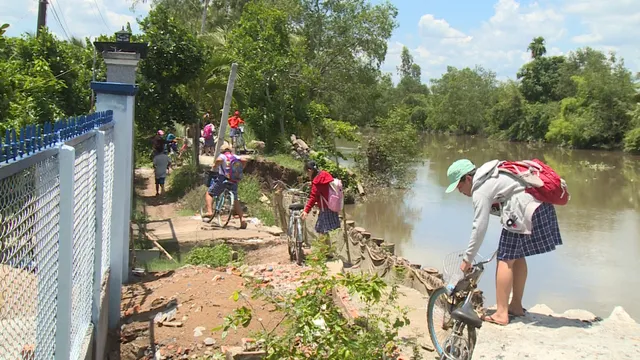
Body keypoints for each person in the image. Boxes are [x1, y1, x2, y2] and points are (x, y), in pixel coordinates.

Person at [445, 159, 563, 326]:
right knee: (517, 255)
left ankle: (501, 313)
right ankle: (515, 306)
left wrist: (467, 259)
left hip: (524, 208)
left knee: (505, 257)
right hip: (539, 205)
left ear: (468, 179)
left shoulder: (480, 189)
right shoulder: (490, 175)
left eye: (459, 186)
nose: (460, 191)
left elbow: (479, 227)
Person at [204, 143, 248, 229]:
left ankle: (209, 211)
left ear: (222, 150)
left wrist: (215, 165)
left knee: (209, 193)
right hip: (234, 179)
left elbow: (219, 160)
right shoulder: (234, 156)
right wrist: (241, 168)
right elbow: (244, 159)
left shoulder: (223, 156)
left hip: (223, 179)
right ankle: (242, 219)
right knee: (235, 199)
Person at [301, 161, 341, 236]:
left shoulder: (317, 182)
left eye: (307, 173)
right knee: (325, 232)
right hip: (332, 206)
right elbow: (324, 189)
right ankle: (326, 247)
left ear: (310, 171)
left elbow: (313, 197)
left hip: (325, 209)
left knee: (323, 232)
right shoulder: (324, 174)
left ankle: (324, 247)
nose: (307, 175)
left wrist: (306, 211)